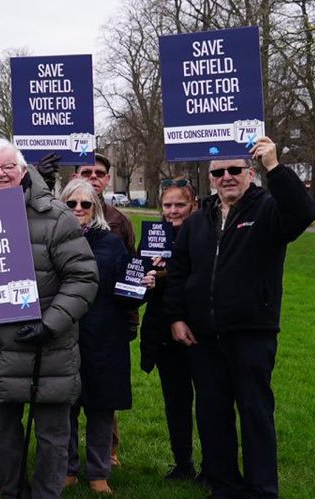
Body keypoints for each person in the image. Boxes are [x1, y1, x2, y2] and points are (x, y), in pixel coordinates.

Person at [166, 137, 315, 499]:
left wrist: (274, 167)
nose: (227, 177)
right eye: (219, 172)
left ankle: (262, 489)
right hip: (204, 336)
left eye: (235, 169)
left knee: (255, 414)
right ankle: (225, 486)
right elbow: (179, 272)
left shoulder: (267, 210)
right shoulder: (197, 221)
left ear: (250, 172)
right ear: (210, 178)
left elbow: (303, 213)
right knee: (213, 415)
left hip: (251, 332)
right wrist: (176, 317)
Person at [0, 138, 97, 499]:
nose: (1, 174)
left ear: (24, 171)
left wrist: (50, 324)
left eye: (8, 166)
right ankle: (12, 491)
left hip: (49, 350)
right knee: (2, 433)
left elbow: (83, 277)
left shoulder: (57, 216)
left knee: (52, 436)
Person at [59, 179, 146, 495]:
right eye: (71, 203)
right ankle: (67, 468)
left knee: (101, 407)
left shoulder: (112, 243)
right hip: (63, 334)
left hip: (104, 336)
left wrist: (142, 286)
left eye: (85, 204)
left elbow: (127, 294)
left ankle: (98, 472)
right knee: (63, 405)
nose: (78, 209)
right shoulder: (53, 240)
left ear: (95, 208)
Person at [138, 178, 203, 482]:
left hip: (200, 329)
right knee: (176, 401)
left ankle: (213, 466)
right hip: (164, 333)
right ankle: (183, 463)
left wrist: (168, 270)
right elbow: (138, 282)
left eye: (180, 204)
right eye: (167, 205)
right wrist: (147, 278)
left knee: (209, 400)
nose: (173, 211)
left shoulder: (205, 234)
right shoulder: (153, 237)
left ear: (194, 205)